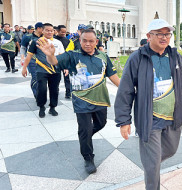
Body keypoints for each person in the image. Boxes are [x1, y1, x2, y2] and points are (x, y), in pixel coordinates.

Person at [114, 19, 182, 190]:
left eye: (167, 34)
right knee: (153, 165)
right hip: (150, 119)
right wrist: (124, 120)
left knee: (171, 150)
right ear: (148, 36)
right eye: (159, 34)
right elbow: (126, 90)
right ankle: (151, 169)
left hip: (172, 116)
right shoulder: (137, 58)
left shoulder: (175, 57)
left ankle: (150, 159)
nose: (164, 37)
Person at [36, 29, 120, 174]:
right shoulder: (72, 56)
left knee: (101, 123)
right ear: (80, 41)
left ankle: (84, 137)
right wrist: (50, 56)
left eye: (91, 41)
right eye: (84, 41)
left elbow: (113, 76)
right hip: (81, 101)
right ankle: (88, 157)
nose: (87, 44)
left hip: (100, 99)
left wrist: (129, 90)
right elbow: (55, 61)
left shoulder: (103, 56)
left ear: (96, 42)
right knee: (85, 129)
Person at [22, 23, 64, 118]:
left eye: (51, 30)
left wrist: (65, 68)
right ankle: (41, 107)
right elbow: (29, 56)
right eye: (47, 30)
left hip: (56, 71)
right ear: (43, 31)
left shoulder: (58, 43)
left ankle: (52, 107)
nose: (49, 32)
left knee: (54, 90)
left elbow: (62, 56)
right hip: (42, 70)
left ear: (54, 31)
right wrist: (24, 68)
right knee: (42, 89)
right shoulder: (36, 42)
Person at [20, 22, 42, 99]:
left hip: (43, 61)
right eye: (43, 29)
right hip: (32, 60)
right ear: (38, 28)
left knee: (42, 78)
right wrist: (22, 58)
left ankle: (40, 93)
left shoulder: (44, 37)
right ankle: (37, 95)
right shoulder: (27, 37)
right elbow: (23, 48)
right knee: (35, 77)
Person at [54, 25, 72, 99]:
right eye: (62, 32)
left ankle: (68, 92)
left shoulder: (67, 40)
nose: (64, 33)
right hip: (56, 61)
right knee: (56, 77)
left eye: (65, 32)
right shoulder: (53, 40)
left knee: (67, 77)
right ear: (58, 31)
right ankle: (55, 91)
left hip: (66, 62)